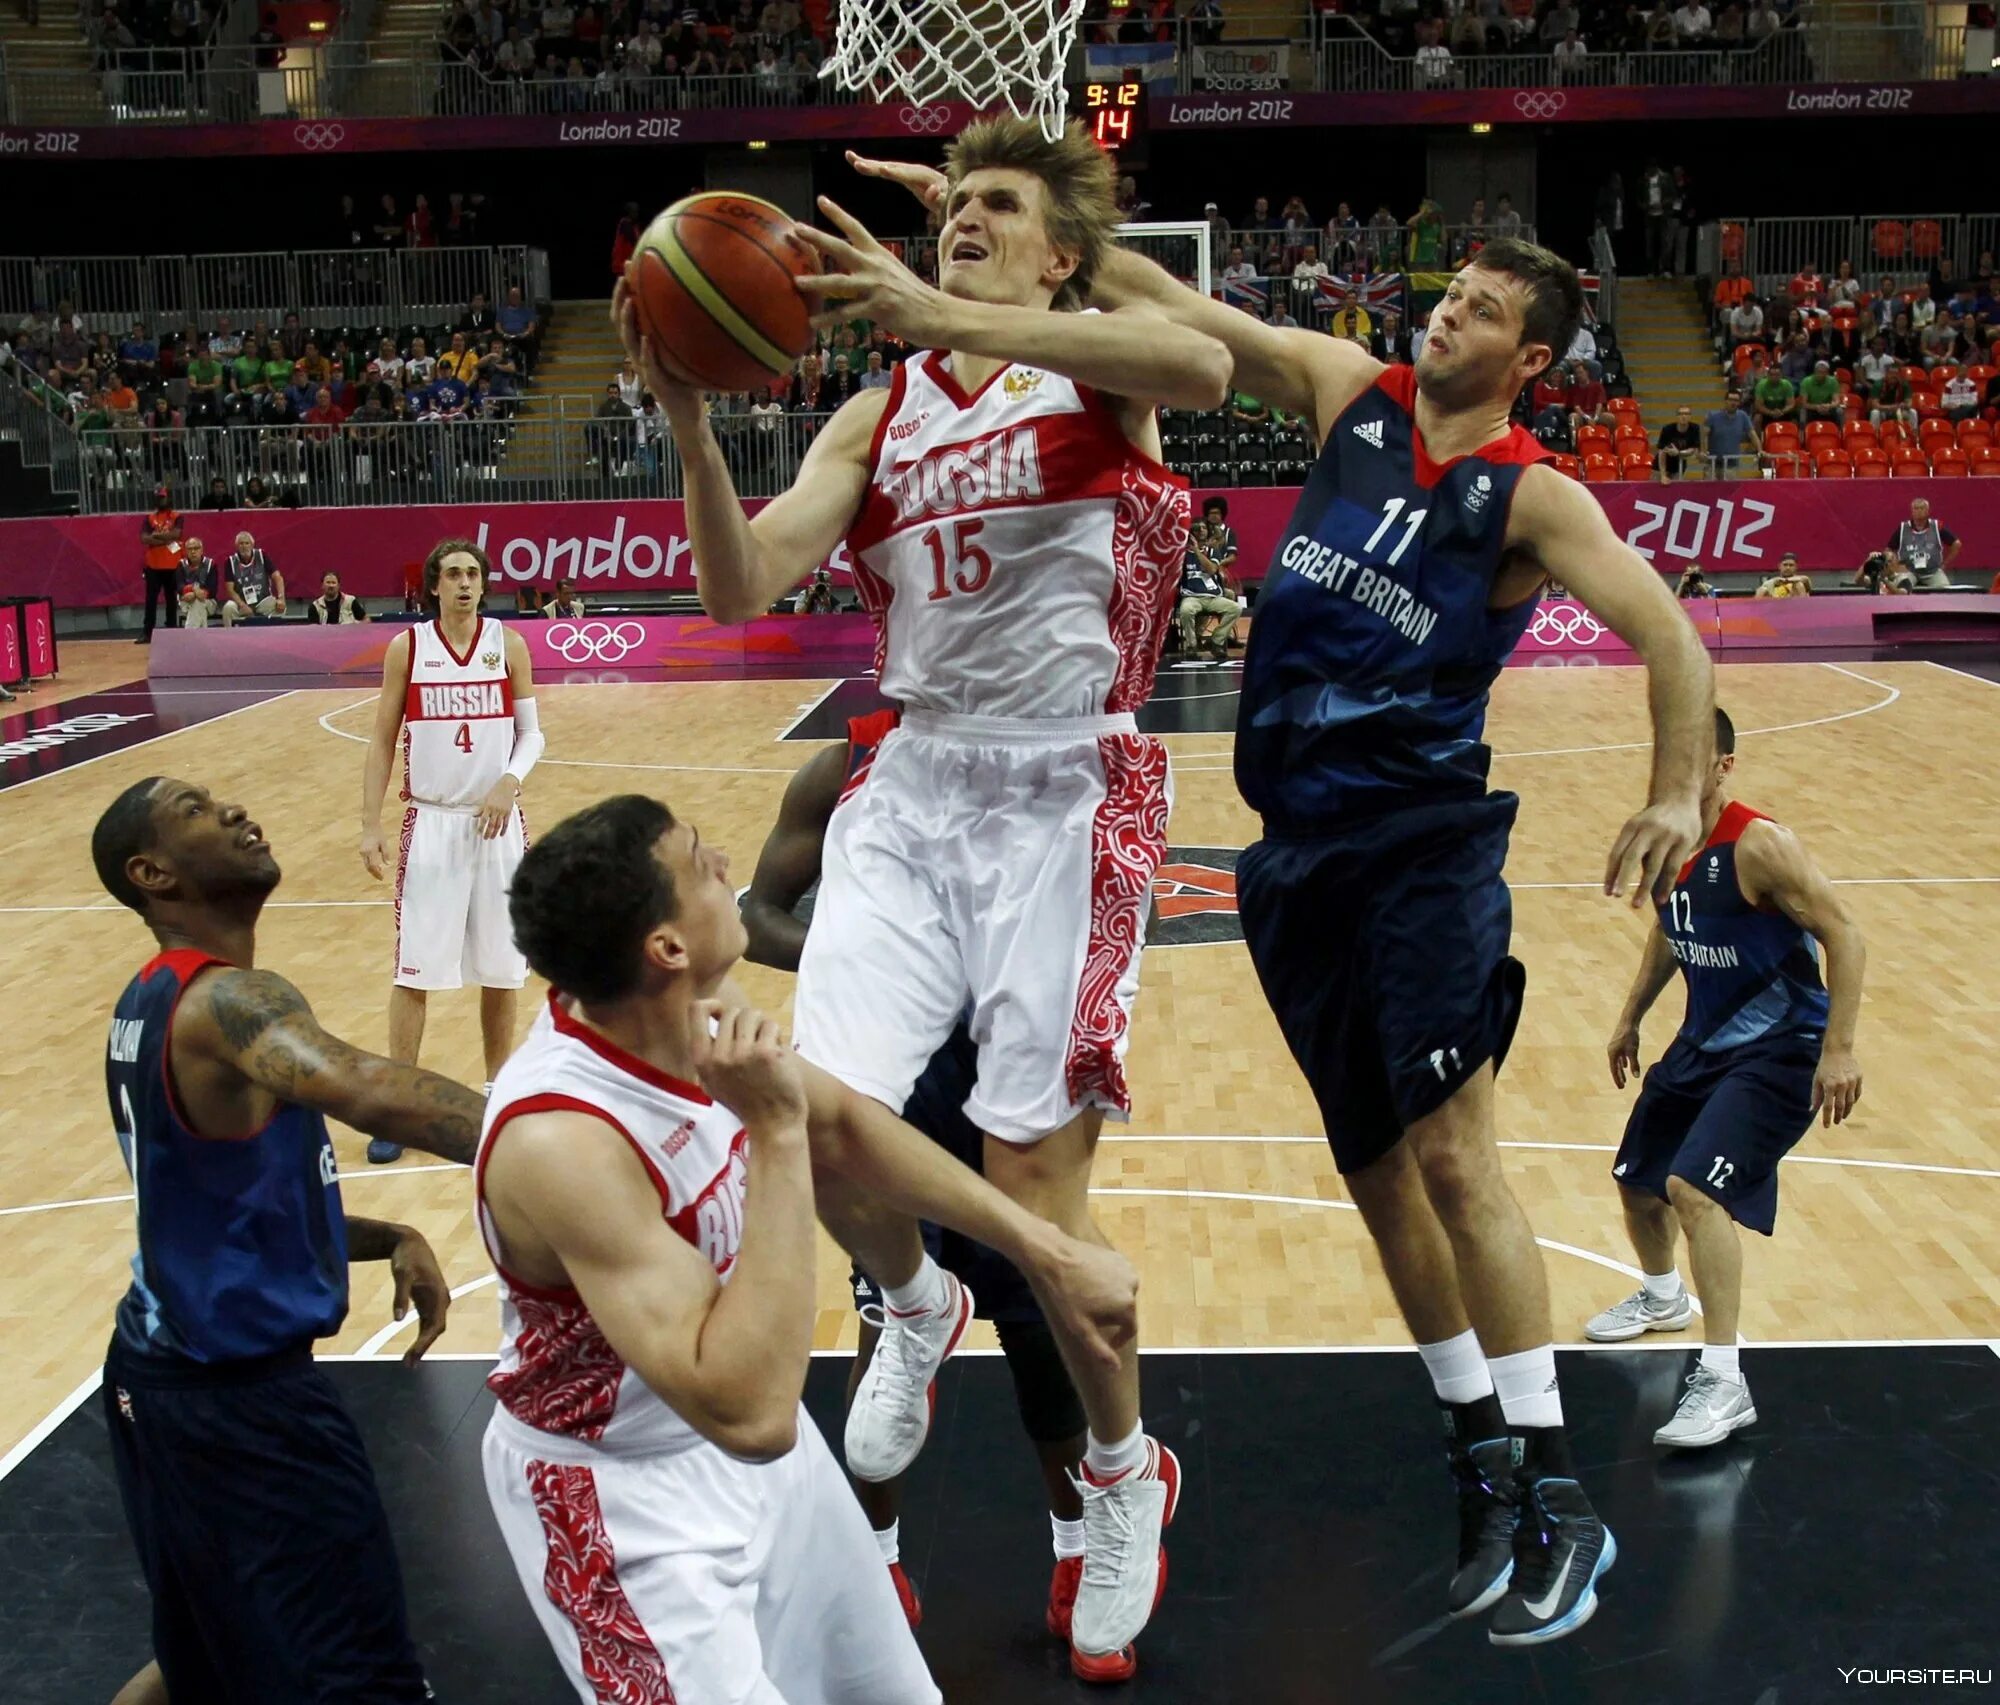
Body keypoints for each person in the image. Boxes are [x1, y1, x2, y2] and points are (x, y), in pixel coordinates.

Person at [628, 119, 1233, 1681]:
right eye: (953, 206)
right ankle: (905, 1299)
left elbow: (1212, 371)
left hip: (1066, 789)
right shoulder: (876, 408)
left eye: (996, 209)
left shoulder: (1102, 360)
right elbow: (740, 586)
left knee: (1039, 1208)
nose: (963, 223)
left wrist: (951, 308)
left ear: (1058, 253)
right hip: (911, 786)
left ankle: (1120, 1478)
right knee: (793, 1104)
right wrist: (691, 417)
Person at [1075, 227, 1715, 1644]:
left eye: (1483, 310)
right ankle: (1479, 1453)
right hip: (1293, 859)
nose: (1449, 318)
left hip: (1421, 848)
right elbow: (1173, 304)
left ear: (1529, 358)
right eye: (1451, 297)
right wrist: (1048, 231)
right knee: (1370, 1166)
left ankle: (1562, 1493)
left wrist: (1678, 790)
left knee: (1451, 1152)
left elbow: (1672, 634)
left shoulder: (1528, 496)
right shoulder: (1344, 392)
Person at [478, 795, 1139, 1703]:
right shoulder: (566, 1142)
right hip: (625, 1499)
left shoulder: (696, 1003)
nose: (725, 868)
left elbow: (837, 1120)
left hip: (763, 1466)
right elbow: (751, 1411)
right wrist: (777, 1136)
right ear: (664, 947)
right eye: (701, 858)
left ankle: (922, 1305)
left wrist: (1042, 1249)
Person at [90, 773, 489, 1704]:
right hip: (241, 1411)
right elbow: (368, 1089)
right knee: (361, 1673)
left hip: (157, 1383)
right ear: (152, 873)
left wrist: (383, 1231)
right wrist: (578, 1136)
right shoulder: (230, 1003)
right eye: (196, 811)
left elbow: (213, 1206)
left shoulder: (149, 998)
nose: (234, 808)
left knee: (200, 1664)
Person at [740, 719, 1091, 1634]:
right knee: (886, 1321)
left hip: (1006, 1085)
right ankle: (876, 1564)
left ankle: (1080, 1550)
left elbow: (1130, 916)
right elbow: (756, 914)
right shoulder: (846, 760)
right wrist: (875, 963)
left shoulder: (1050, 760)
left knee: (1037, 1327)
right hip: (885, 1086)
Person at [1587, 709, 1863, 1445]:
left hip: (1783, 1048)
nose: (1677, 768)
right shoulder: (1670, 837)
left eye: (1695, 758)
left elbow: (1845, 933)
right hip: (1703, 1041)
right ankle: (1662, 1296)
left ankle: (1725, 1377)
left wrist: (1839, 1047)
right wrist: (1631, 1015)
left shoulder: (1759, 843)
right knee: (1636, 1181)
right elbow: (1669, 930)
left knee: (1693, 1189)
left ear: (1723, 767)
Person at [357, 538, 543, 1163]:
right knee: (416, 968)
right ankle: (396, 1105)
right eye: (453, 574)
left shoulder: (507, 644)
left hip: (498, 823)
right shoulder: (407, 648)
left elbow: (532, 734)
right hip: (431, 822)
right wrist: (370, 823)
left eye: (473, 574)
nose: (464, 583)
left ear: (483, 585)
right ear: (433, 584)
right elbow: (383, 739)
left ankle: (499, 1093)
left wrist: (509, 781)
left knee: (502, 966)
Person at [138, 487, 184, 645]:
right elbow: (144, 539)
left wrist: (156, 536)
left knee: (171, 599)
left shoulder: (177, 516)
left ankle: (171, 629)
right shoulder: (149, 518)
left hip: (173, 563)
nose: (161, 500)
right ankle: (147, 632)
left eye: (163, 497)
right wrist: (166, 540)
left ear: (169, 498)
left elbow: (176, 535)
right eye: (158, 497)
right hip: (153, 565)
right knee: (150, 600)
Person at [1885, 497, 1960, 588]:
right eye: (1916, 508)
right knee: (1900, 588)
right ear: (1911, 511)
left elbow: (1956, 544)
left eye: (1922, 508)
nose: (1919, 511)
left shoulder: (1937, 526)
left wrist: (1945, 564)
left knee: (1944, 590)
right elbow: (1888, 550)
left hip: (1933, 572)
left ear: (1928, 511)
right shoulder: (1903, 528)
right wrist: (1896, 566)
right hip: (1909, 571)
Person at [221, 532, 285, 626]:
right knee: (228, 607)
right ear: (236, 546)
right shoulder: (230, 561)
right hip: (242, 602)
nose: (244, 546)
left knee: (279, 606)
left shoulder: (261, 555)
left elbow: (277, 577)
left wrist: (281, 598)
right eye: (241, 543)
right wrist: (242, 605)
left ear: (252, 545)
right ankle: (229, 637)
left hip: (263, 601)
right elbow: (230, 589)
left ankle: (274, 637)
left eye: (247, 543)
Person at [175, 537, 218, 628]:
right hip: (186, 600)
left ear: (202, 550)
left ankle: (190, 638)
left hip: (208, 601)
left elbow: (212, 590)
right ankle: (202, 638)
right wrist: (194, 590)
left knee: (197, 604)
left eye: (196, 548)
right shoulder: (181, 564)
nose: (193, 552)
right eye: (190, 549)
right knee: (198, 606)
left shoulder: (211, 564)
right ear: (186, 551)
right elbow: (179, 586)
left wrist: (195, 594)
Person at [1655, 406, 1702, 480]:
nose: (1683, 416)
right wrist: (1663, 475)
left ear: (1690, 416)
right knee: (1657, 489)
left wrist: (1678, 452)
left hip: (1679, 465)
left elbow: (1693, 449)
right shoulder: (1667, 429)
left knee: (1675, 489)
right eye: (1681, 414)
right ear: (1677, 416)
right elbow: (1662, 452)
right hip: (1661, 466)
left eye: (1686, 414)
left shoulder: (1695, 428)